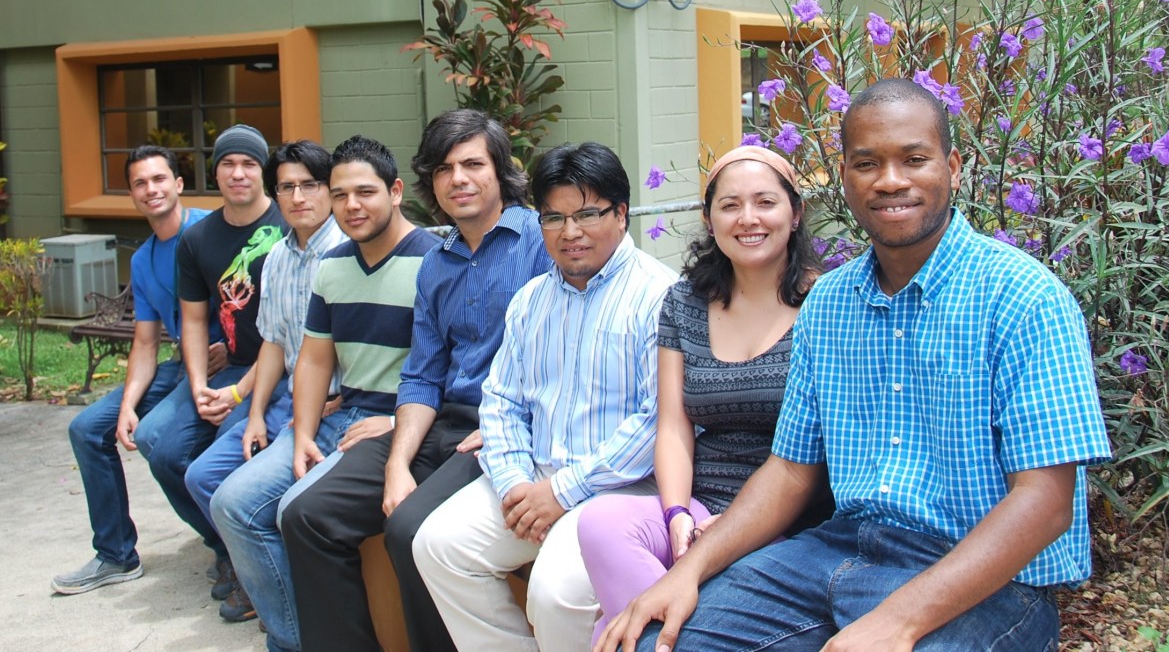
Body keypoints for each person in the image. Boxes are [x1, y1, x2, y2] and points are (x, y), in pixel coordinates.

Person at [600, 78, 1113, 652]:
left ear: (954, 166)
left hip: (986, 579)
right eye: (867, 163)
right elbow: (790, 471)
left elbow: (1045, 502)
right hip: (839, 550)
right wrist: (687, 573)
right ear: (844, 177)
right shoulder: (829, 302)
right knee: (655, 642)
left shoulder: (1024, 298)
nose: (891, 181)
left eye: (914, 159)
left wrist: (901, 621)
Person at [280, 109, 553, 652]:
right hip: (441, 427)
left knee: (409, 530)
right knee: (306, 515)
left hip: (507, 429)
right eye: (445, 168)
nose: (459, 179)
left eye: (473, 163)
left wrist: (509, 426)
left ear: (500, 171)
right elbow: (423, 376)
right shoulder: (438, 264)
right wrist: (398, 463)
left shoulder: (539, 243)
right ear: (431, 182)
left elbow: (561, 352)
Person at [412, 141, 679, 651]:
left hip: (620, 490)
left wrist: (561, 493)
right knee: (439, 546)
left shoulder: (661, 296)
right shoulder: (532, 300)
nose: (569, 232)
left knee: (555, 594)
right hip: (533, 478)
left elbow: (658, 420)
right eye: (553, 218)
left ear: (621, 214)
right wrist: (515, 485)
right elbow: (502, 401)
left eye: (587, 214)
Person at [577, 144, 834, 643]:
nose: (748, 219)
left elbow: (820, 456)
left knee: (612, 631)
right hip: (697, 506)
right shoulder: (685, 300)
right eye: (730, 205)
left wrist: (729, 531)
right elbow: (673, 425)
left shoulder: (826, 303)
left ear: (796, 213)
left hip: (784, 521)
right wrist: (676, 516)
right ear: (710, 220)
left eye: (765, 202)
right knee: (602, 522)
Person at [211, 134, 440, 650]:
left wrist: (400, 422)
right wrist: (302, 436)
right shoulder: (333, 266)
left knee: (299, 508)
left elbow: (454, 365)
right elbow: (315, 359)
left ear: (396, 191)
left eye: (365, 192)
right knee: (231, 504)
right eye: (340, 195)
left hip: (398, 423)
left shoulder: (435, 261)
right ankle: (295, 639)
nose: (351, 206)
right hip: (343, 413)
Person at [184, 139, 348, 623]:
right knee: (203, 477)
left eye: (310, 185)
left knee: (270, 500)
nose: (298, 198)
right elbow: (274, 343)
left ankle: (283, 604)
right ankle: (257, 573)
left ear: (329, 190)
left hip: (334, 407)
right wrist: (253, 413)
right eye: (287, 187)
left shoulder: (346, 250)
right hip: (284, 398)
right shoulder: (277, 256)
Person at [52, 145, 220, 595]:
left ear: (178, 184)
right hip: (180, 365)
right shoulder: (143, 259)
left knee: (160, 442)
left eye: (159, 179)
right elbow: (145, 342)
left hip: (227, 362)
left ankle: (226, 546)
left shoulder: (211, 229)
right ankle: (116, 555)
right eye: (141, 183)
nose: (152, 189)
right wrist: (127, 405)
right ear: (132, 195)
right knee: (88, 428)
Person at [133, 124, 287, 602]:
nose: (238, 174)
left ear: (262, 170)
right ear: (215, 172)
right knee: (161, 448)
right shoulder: (197, 239)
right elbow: (194, 321)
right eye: (227, 164)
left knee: (227, 446)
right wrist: (199, 384)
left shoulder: (289, 226)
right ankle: (224, 546)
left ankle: (255, 559)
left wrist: (239, 395)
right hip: (230, 366)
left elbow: (288, 333)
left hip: (278, 367)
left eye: (248, 164)